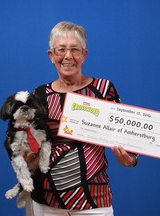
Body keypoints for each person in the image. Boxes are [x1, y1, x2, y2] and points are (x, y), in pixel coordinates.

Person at [28, 21, 138, 216]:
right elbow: (31, 145)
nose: (68, 56)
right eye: (61, 50)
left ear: (84, 55)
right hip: (46, 201)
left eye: (75, 50)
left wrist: (131, 158)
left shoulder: (103, 90)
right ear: (51, 56)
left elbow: (127, 137)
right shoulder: (39, 95)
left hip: (94, 198)